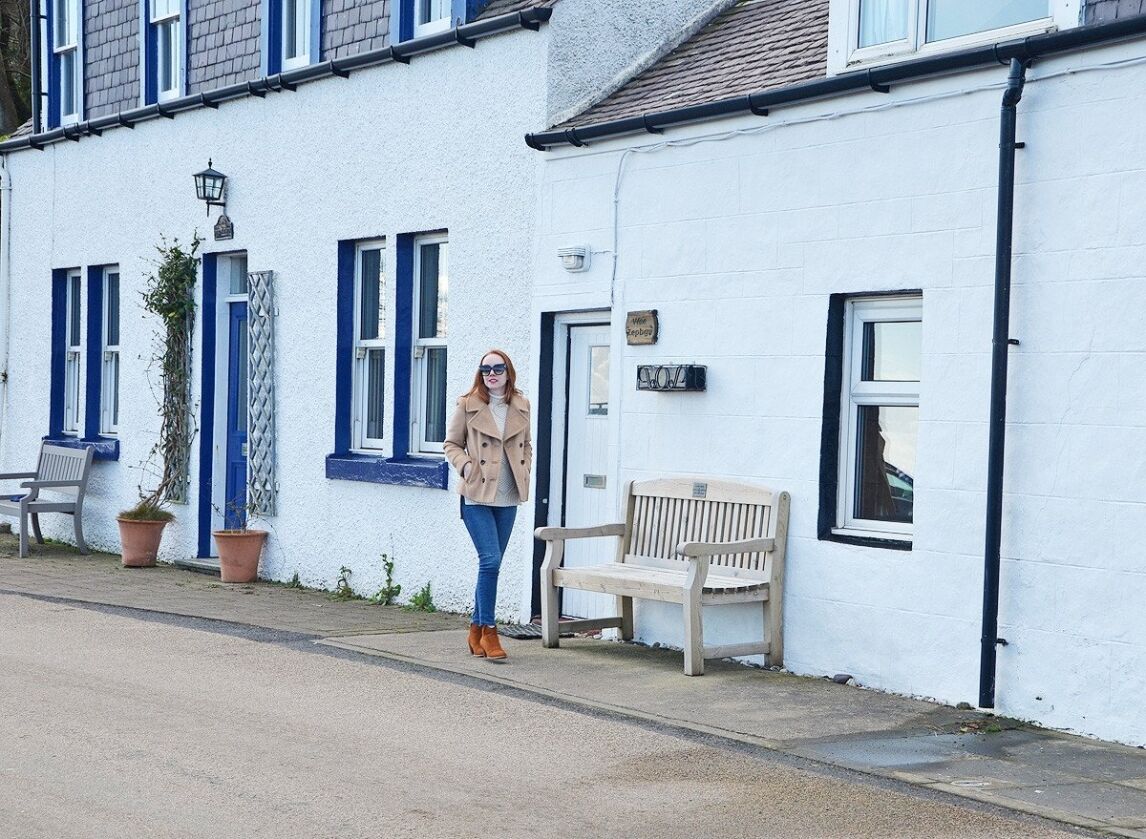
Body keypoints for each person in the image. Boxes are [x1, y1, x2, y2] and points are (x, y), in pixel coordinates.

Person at [443, 349, 533, 661]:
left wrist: (526, 470)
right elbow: (451, 444)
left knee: (491, 566)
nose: (491, 373)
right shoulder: (468, 405)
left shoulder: (521, 405)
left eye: (497, 368)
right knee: (490, 561)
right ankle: (490, 632)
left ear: (509, 371)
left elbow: (527, 445)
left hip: (508, 496)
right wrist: (465, 465)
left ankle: (475, 630)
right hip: (476, 495)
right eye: (485, 369)